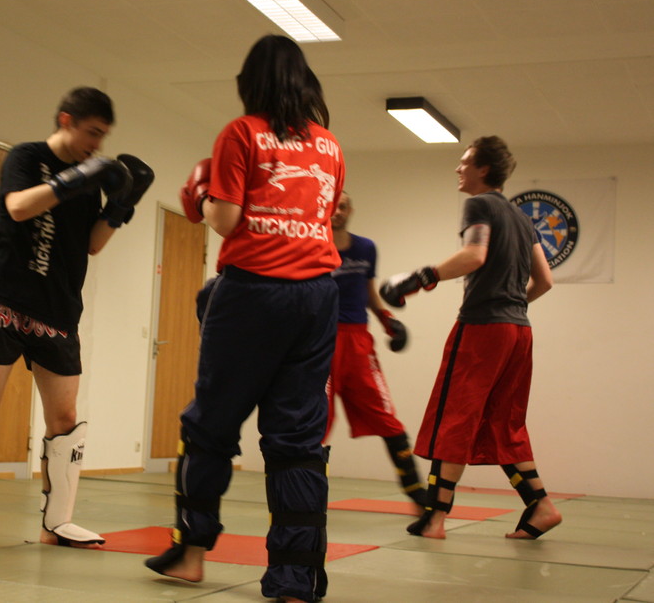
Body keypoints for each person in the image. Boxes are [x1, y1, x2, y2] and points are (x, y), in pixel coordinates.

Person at [145, 35, 345, 603]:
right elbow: (320, 218)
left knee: (210, 426)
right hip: (317, 297)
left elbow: (228, 220)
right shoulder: (329, 146)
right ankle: (294, 579)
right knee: (297, 440)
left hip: (255, 294)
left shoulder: (242, 132)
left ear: (249, 84)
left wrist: (202, 196)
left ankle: (191, 553)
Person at [0, 87, 153, 549]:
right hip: (6, 300)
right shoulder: (26, 157)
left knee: (65, 417)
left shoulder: (90, 178)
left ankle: (57, 522)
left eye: (103, 137)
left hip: (59, 309)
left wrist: (124, 205)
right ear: (67, 120)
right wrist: (78, 178)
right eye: (92, 133)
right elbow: (18, 206)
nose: (97, 145)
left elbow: (92, 244)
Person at [379, 135, 558, 540]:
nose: (458, 169)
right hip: (519, 331)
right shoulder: (521, 217)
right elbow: (545, 280)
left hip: (482, 329)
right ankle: (541, 505)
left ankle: (436, 517)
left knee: (453, 417)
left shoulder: (479, 205)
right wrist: (513, 305)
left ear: (483, 169)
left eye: (465, 162)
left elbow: (475, 255)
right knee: (502, 422)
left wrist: (418, 278)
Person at [326, 192, 427, 509]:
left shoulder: (365, 248)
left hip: (358, 344)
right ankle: (304, 496)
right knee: (314, 421)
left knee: (386, 416)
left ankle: (416, 494)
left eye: (343, 206)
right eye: (332, 204)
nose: (338, 211)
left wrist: (387, 319)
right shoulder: (310, 245)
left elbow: (368, 290)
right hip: (321, 343)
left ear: (351, 210)